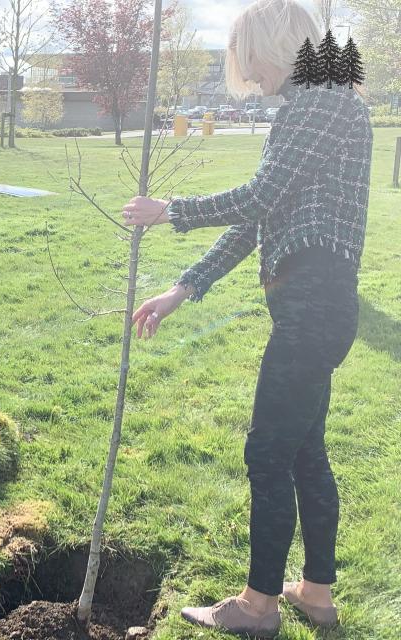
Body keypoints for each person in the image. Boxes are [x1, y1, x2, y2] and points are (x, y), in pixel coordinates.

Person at [120, 0, 371, 636]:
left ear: (277, 45)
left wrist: (169, 209)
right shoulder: (328, 104)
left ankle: (258, 606)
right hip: (321, 305)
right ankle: (315, 593)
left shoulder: (317, 104)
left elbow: (256, 198)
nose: (248, 74)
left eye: (249, 58)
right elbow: (259, 220)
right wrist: (183, 288)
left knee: (267, 452)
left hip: (311, 306)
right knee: (305, 452)